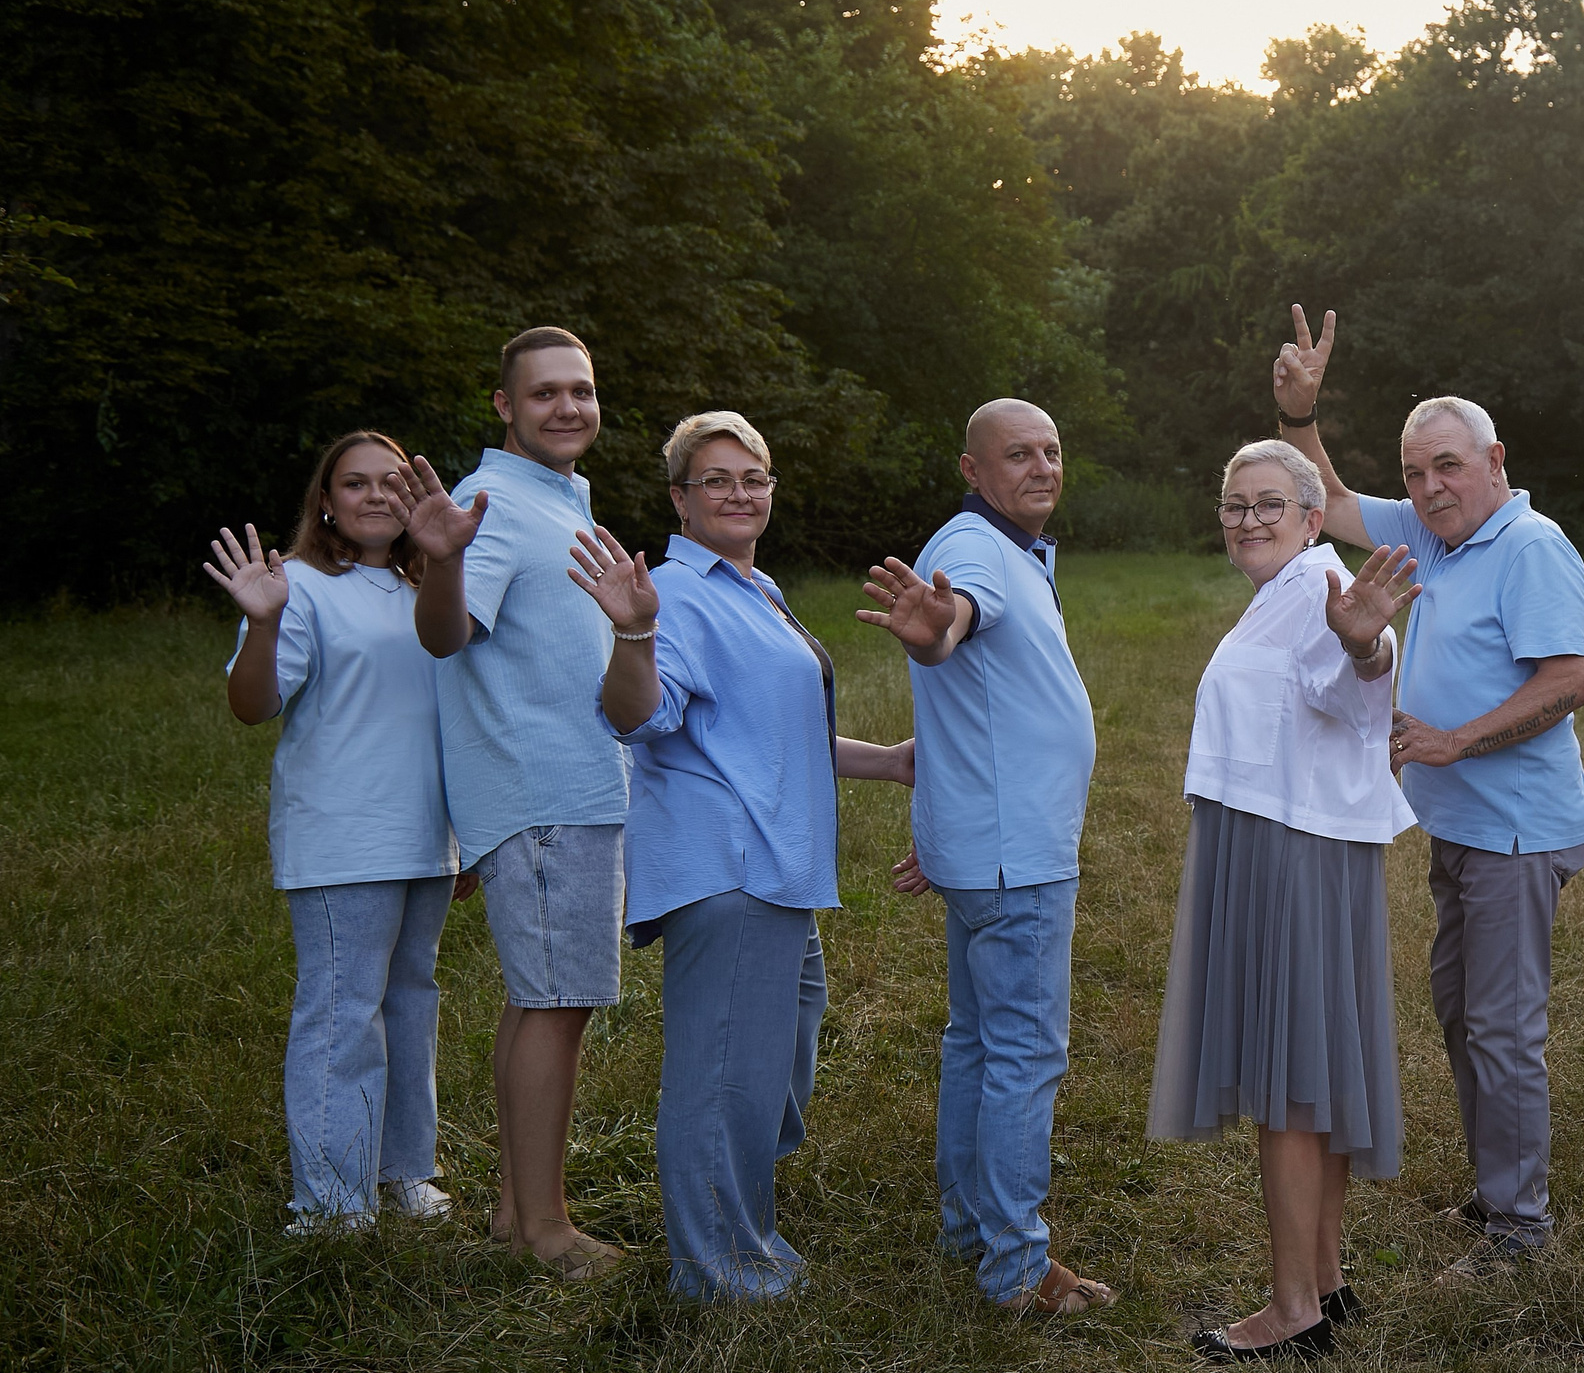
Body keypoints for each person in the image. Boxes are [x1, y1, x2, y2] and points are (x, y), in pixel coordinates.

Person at [1273, 306, 1584, 1280]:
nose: (1427, 487)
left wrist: (1456, 737)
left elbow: (1569, 680)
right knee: (1461, 1011)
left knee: (1498, 1023)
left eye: (1446, 466)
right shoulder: (1429, 532)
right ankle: (1501, 1186)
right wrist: (1300, 412)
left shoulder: (1530, 544)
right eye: (1415, 472)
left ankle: (1517, 1227)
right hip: (1458, 827)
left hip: (1516, 830)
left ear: (1494, 458)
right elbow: (1326, 502)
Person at [566, 413, 913, 1299]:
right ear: (679, 498)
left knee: (772, 1075)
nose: (738, 493)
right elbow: (638, 718)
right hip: (728, 865)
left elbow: (765, 731)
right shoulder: (675, 594)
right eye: (715, 479)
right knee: (723, 1077)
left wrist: (885, 761)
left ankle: (735, 1231)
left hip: (780, 870)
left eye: (752, 477)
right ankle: (722, 1272)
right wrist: (635, 634)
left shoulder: (752, 590)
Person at [1148, 440, 1420, 1362]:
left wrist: (1367, 644)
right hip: (1289, 837)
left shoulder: (1319, 589)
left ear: (1311, 518)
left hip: (1288, 847)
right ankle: (1328, 1281)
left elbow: (1359, 672)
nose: (1249, 519)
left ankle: (1293, 1307)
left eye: (1270, 503)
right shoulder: (1288, 594)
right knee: (1311, 1068)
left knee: (1290, 1081)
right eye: (1234, 505)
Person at [857, 399, 1115, 1317]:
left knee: (976, 1043)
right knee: (1022, 1055)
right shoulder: (971, 552)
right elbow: (950, 623)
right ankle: (1014, 1267)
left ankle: (969, 1229)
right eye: (1018, 454)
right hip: (1017, 861)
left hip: (982, 849)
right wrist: (934, 627)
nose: (1042, 467)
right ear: (973, 470)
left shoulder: (1010, 548)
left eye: (1052, 450)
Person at [390, 326, 632, 1280]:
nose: (567, 407)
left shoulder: (556, 497)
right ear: (504, 406)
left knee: (545, 1003)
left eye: (581, 389)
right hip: (541, 796)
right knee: (555, 1004)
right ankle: (546, 1230)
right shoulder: (487, 507)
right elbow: (444, 637)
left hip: (573, 791)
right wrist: (443, 558)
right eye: (544, 394)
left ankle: (512, 1209)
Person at [206, 432, 464, 1235]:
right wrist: (260, 625)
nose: (376, 496)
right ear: (326, 501)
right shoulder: (301, 588)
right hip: (343, 836)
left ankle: (403, 1172)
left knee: (410, 1003)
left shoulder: (435, 590)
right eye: (355, 484)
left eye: (392, 482)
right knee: (343, 1010)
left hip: (428, 837)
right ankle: (330, 1203)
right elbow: (254, 706)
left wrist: (466, 832)